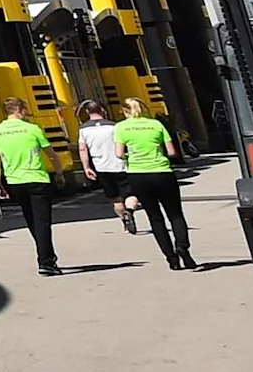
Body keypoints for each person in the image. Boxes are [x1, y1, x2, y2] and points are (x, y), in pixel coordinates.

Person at [116, 98, 193, 270]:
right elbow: (172, 152)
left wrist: (132, 156)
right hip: (163, 172)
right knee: (175, 214)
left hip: (138, 175)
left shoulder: (121, 127)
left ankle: (171, 259)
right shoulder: (156, 125)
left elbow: (119, 154)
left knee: (155, 217)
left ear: (125, 111)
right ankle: (182, 246)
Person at [0, 96, 60, 275]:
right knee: (43, 222)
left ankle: (46, 255)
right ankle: (46, 261)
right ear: (20, 110)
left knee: (31, 220)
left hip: (15, 182)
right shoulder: (32, 129)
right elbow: (50, 153)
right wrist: (59, 172)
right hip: (37, 179)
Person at [77, 103, 132, 234]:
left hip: (101, 167)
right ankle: (130, 211)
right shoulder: (114, 126)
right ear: (102, 110)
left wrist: (86, 167)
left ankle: (125, 220)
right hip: (121, 165)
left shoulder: (83, 130)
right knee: (130, 194)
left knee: (115, 198)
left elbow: (82, 149)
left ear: (87, 112)